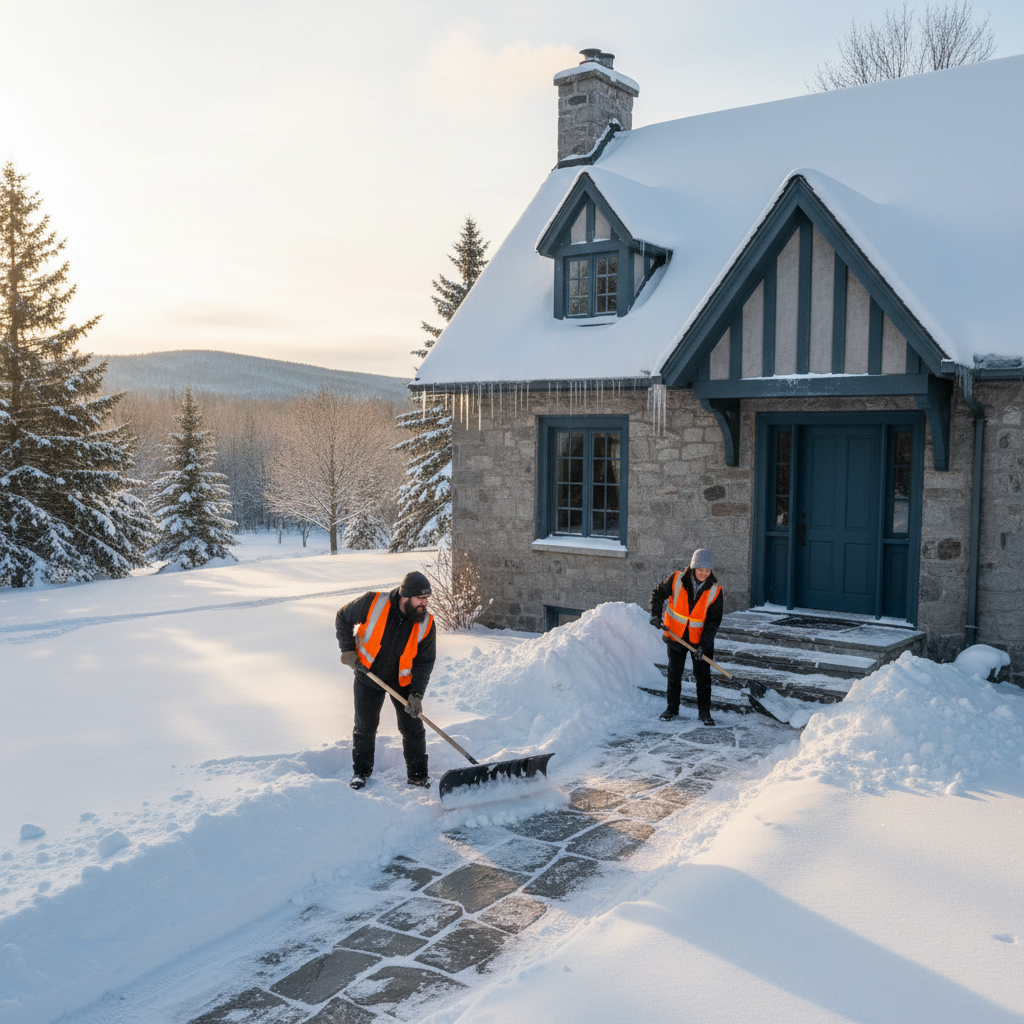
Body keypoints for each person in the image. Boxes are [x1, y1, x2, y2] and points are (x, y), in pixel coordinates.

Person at [336, 570, 436, 790]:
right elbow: (342, 616)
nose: (425, 603)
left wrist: (417, 694)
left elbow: (425, 661)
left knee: (413, 728)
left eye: (427, 598)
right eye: (421, 598)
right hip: (368, 675)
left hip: (403, 682)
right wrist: (348, 650)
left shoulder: (426, 622)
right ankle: (360, 773)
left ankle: (418, 776)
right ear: (405, 596)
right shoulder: (373, 602)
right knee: (365, 727)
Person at [650, 548, 723, 726]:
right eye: (701, 570)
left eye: (707, 571)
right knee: (674, 673)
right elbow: (658, 594)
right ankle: (672, 709)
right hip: (676, 637)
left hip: (700, 641)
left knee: (703, 676)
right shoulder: (676, 579)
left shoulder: (715, 590)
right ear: (693, 567)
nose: (704, 573)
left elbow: (713, 621)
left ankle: (704, 713)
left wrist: (703, 646)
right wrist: (655, 615)